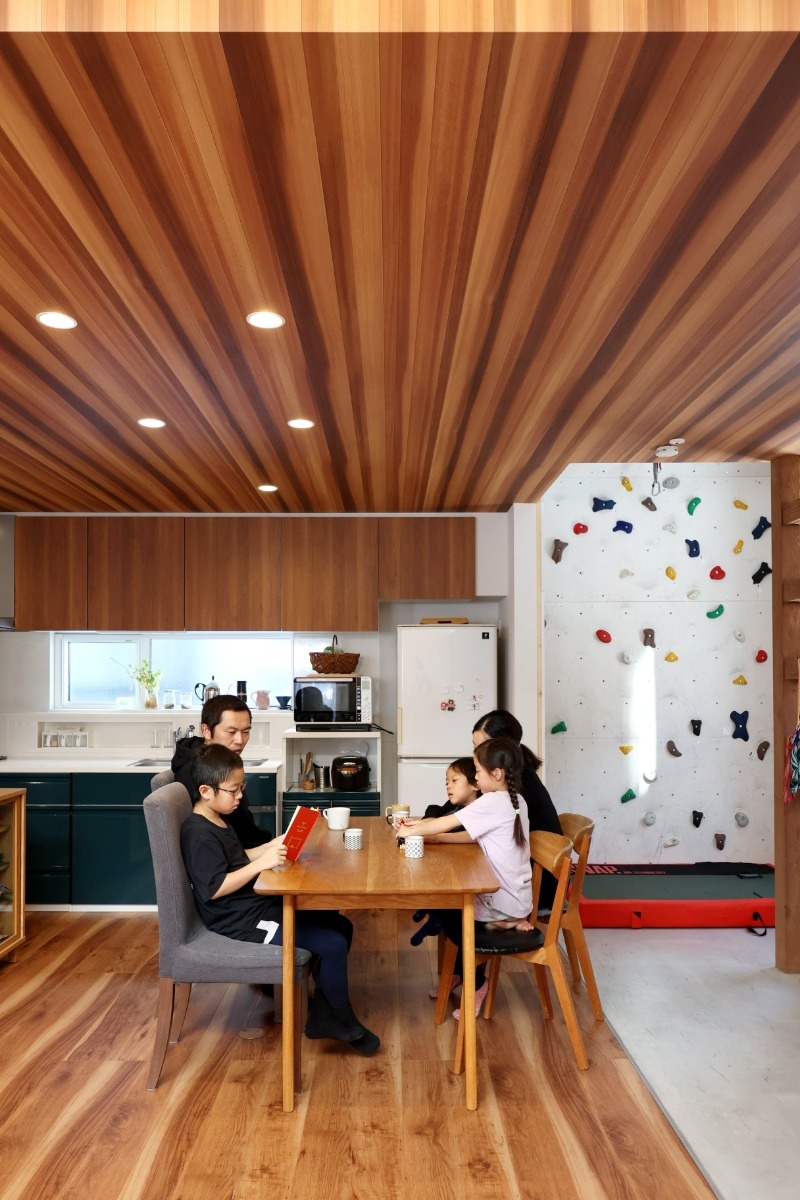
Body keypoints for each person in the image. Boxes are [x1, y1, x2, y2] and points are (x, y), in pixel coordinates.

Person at [180, 743, 380, 1055]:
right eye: (233, 790)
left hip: (254, 905)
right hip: (242, 921)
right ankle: (341, 1019)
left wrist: (272, 845)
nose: (240, 796)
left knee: (341, 924)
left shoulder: (216, 818)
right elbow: (214, 887)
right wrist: (261, 864)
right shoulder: (198, 833)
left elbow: (234, 859)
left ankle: (324, 1014)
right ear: (206, 791)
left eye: (241, 787)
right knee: (332, 944)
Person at [397, 737, 533, 1020]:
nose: (476, 777)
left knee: (446, 907)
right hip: (516, 898)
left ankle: (477, 983)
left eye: (478, 772)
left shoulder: (493, 801)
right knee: (451, 906)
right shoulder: (515, 799)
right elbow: (471, 835)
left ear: (496, 774)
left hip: (501, 901)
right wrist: (436, 838)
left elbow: (448, 821)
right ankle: (462, 971)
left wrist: (412, 831)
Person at [472, 709, 562, 912]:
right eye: (475, 747)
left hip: (535, 887)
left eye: (482, 747)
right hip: (525, 879)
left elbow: (473, 817)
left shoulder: (517, 781)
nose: (476, 754)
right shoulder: (506, 773)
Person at [172, 694, 269, 849]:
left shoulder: (221, 762)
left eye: (245, 732)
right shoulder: (197, 772)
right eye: (231, 732)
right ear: (206, 731)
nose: (240, 740)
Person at [409, 757, 480, 947]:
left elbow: (447, 828)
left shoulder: (476, 811)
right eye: (446, 782)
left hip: (472, 879)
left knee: (432, 878)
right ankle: (435, 913)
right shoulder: (460, 806)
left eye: (454, 780)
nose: (448, 785)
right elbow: (438, 816)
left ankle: (438, 916)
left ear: (475, 784)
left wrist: (422, 832)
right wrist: (418, 825)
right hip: (461, 870)